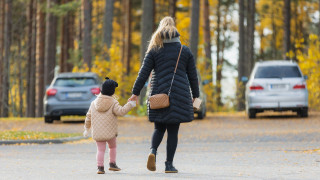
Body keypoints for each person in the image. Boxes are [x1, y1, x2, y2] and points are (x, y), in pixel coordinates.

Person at [128, 16, 200, 173]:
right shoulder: (184, 50)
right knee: (173, 131)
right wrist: (196, 97)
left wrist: (135, 93)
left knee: (159, 128)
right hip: (180, 95)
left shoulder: (154, 49)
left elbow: (143, 73)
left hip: (159, 94)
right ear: (175, 31)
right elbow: (193, 77)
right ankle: (169, 165)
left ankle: (153, 151)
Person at [84, 77, 136, 174]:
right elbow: (121, 112)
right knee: (112, 147)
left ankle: (100, 168)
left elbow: (88, 117)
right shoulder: (113, 102)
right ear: (112, 91)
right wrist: (130, 104)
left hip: (98, 133)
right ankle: (112, 164)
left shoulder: (93, 103)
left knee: (100, 149)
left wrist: (86, 128)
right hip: (110, 133)